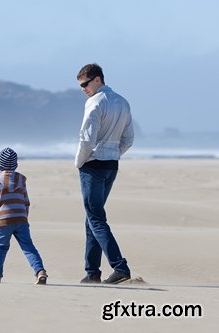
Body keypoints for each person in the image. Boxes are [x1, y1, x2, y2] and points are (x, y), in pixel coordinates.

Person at [75, 63, 134, 284]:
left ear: (97, 80)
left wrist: (79, 162)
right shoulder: (122, 102)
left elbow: (86, 139)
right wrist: (113, 154)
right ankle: (92, 273)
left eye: (85, 84)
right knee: (92, 217)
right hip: (111, 165)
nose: (83, 89)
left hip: (93, 165)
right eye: (80, 86)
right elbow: (128, 139)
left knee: (96, 218)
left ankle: (120, 267)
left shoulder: (95, 102)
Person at [0, 147, 48, 284]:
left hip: (4, 220)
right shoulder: (22, 180)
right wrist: (24, 216)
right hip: (21, 219)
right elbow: (26, 201)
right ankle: (40, 271)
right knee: (28, 247)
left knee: (1, 247)